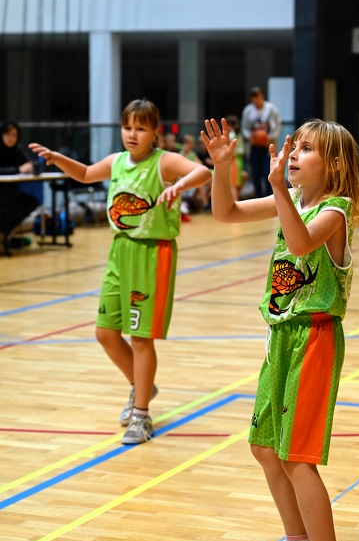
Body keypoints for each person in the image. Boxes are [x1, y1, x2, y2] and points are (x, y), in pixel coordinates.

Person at [200, 117, 359, 541]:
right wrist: (223, 167)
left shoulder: (335, 210)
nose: (293, 153)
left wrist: (276, 189)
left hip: (314, 338)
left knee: (297, 457)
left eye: (306, 148)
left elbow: (299, 242)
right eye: (295, 145)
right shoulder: (291, 200)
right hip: (281, 336)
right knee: (265, 447)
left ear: (334, 165)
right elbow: (225, 213)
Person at [29, 99, 211, 444]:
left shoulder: (164, 161)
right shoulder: (116, 161)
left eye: (141, 128)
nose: (132, 134)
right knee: (106, 333)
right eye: (128, 127)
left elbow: (203, 172)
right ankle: (141, 386)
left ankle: (141, 415)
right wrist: (57, 158)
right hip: (119, 251)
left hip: (151, 253)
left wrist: (179, 185)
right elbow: (85, 174)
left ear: (154, 132)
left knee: (140, 337)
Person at [0, 120, 41, 249]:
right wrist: (18, 169)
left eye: (14, 135)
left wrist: (33, 167)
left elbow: (28, 164)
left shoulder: (18, 150)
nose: (11, 138)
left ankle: (4, 233)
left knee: (31, 202)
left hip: (11, 193)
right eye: (8, 134)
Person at [241, 86, 281, 198]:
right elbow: (244, 127)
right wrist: (250, 137)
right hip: (254, 147)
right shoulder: (248, 111)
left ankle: (270, 197)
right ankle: (258, 197)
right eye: (254, 98)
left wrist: (270, 137)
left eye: (258, 97)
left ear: (262, 96)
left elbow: (278, 125)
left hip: (268, 146)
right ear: (252, 99)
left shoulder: (271, 109)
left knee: (268, 173)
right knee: (256, 173)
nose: (256, 100)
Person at [225, 114, 247, 201]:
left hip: (234, 160)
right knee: (234, 184)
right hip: (238, 160)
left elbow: (231, 150)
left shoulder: (232, 134)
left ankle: (235, 203)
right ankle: (235, 202)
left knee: (232, 184)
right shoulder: (237, 134)